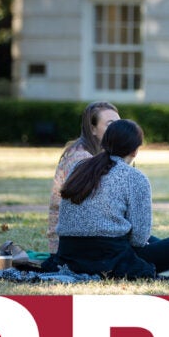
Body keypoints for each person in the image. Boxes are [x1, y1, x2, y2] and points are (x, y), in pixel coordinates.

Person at [50, 119, 169, 279]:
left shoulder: (79, 167)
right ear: (135, 150)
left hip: (69, 255)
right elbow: (139, 238)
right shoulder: (135, 177)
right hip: (109, 258)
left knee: (153, 239)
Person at [48, 101, 120, 253]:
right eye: (110, 124)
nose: (117, 130)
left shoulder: (97, 154)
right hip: (74, 246)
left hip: (89, 238)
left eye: (119, 124)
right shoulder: (81, 158)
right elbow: (91, 210)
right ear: (93, 129)